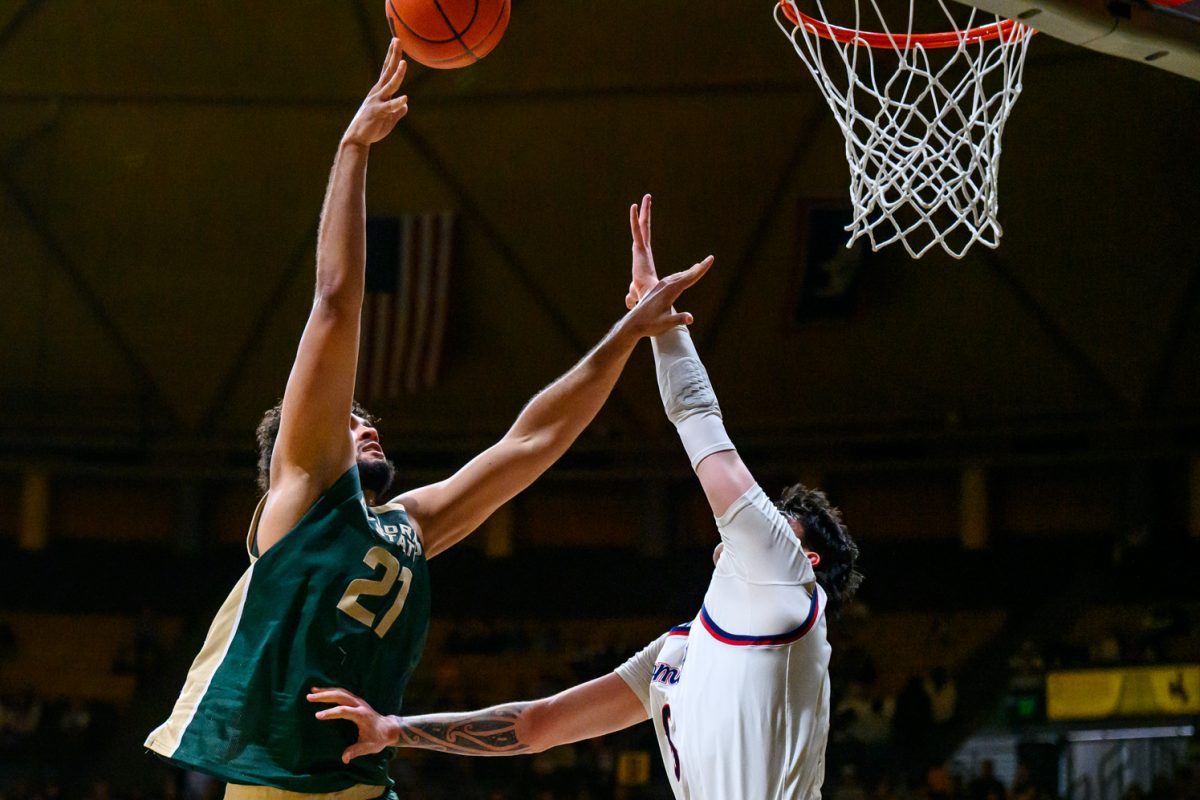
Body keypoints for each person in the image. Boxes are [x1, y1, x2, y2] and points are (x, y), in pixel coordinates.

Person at [144, 45, 712, 797]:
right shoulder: (306, 488)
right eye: (351, 420)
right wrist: (352, 152)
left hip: (366, 783)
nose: (367, 426)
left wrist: (630, 333)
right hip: (281, 788)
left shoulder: (408, 526)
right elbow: (338, 301)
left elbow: (533, 441)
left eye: (368, 419)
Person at [307, 195, 861, 799]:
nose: (762, 519)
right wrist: (394, 729)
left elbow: (700, 420)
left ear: (806, 560)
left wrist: (660, 328)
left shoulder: (785, 578)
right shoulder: (675, 654)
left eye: (782, 522)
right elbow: (538, 725)